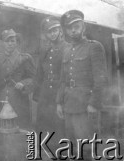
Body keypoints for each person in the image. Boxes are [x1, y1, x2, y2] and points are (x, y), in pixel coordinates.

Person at [56, 10, 108, 160]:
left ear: (83, 27)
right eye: (70, 27)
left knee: (85, 146)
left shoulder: (94, 47)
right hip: (68, 104)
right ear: (65, 30)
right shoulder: (66, 50)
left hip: (85, 105)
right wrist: (59, 102)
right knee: (71, 144)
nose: (73, 30)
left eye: (76, 26)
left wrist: (93, 104)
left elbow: (100, 79)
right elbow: (63, 79)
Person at [33, 16, 66, 156]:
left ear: (60, 30)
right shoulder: (45, 50)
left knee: (59, 128)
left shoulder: (67, 48)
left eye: (55, 30)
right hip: (45, 95)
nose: (52, 34)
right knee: (43, 125)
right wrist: (37, 96)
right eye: (49, 31)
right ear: (46, 34)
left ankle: (60, 154)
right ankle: (47, 155)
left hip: (60, 93)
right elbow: (39, 74)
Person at [0, 29, 36, 130]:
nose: (10, 44)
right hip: (1, 99)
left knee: (20, 129)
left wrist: (23, 83)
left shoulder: (25, 58)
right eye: (7, 41)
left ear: (16, 43)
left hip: (18, 100)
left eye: (13, 41)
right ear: (3, 43)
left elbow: (34, 78)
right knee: (0, 130)